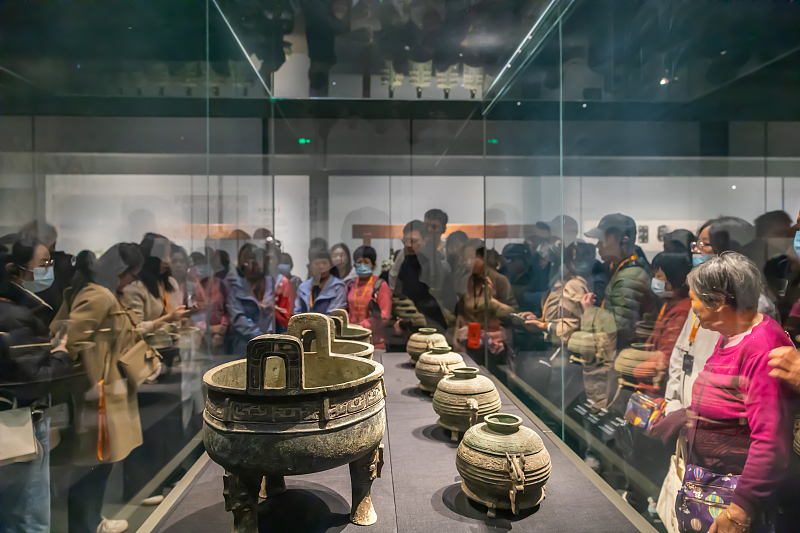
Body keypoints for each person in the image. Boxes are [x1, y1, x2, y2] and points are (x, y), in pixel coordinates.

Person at [678, 253, 796, 532]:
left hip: (736, 498)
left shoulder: (760, 346)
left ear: (718, 301)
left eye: (694, 298)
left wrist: (740, 511)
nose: (691, 305)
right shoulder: (732, 333)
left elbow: (771, 441)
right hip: (715, 484)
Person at [51, 245, 147, 533]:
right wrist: (94, 374)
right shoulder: (98, 294)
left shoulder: (103, 292)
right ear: (121, 272)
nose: (133, 282)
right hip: (98, 394)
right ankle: (84, 526)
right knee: (91, 464)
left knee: (98, 463)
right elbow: (67, 342)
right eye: (133, 275)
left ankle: (91, 522)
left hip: (104, 391)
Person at [0, 239, 74, 533]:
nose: (48, 270)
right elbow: (36, 376)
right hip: (21, 418)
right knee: (29, 515)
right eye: (42, 264)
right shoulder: (17, 316)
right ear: (15, 270)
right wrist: (61, 355)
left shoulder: (20, 310)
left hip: (17, 415)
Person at [583, 213, 655, 351]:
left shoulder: (629, 277)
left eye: (602, 239)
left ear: (623, 241)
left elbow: (619, 330)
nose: (598, 245)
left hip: (624, 357)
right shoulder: (621, 269)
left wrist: (590, 312)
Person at [631, 252, 693, 393]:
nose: (654, 280)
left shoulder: (682, 311)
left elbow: (666, 356)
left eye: (659, 276)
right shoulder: (670, 305)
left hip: (661, 386)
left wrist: (636, 369)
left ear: (675, 280)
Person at [453, 241, 517, 353]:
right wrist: (456, 339)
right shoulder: (465, 280)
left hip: (492, 343)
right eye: (465, 259)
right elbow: (461, 313)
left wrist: (492, 302)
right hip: (468, 341)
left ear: (483, 258)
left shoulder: (499, 280)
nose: (468, 263)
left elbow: (513, 314)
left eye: (472, 259)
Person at [121, 233, 189, 336]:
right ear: (151, 257)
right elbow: (134, 330)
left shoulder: (170, 282)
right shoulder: (135, 286)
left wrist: (187, 314)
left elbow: (175, 321)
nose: (168, 261)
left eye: (169, 255)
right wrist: (167, 318)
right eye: (164, 256)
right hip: (148, 348)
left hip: (170, 344)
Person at [393, 220, 447, 330]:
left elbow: (440, 299)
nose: (409, 245)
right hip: (409, 321)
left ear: (425, 240)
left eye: (414, 241)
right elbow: (398, 294)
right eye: (406, 241)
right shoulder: (406, 262)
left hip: (433, 323)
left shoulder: (434, 263)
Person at [227, 244, 275, 355]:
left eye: (256, 261)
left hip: (272, 343)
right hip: (244, 345)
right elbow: (239, 318)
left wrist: (270, 335)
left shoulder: (273, 284)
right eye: (248, 262)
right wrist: (260, 337)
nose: (252, 266)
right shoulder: (236, 287)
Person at [389, 209, 450, 292]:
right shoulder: (409, 251)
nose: (429, 230)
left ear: (443, 229)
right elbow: (394, 276)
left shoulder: (448, 251)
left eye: (434, 227)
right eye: (427, 225)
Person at [346, 246, 391, 350]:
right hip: (351, 341)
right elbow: (346, 309)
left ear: (374, 265)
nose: (362, 265)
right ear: (355, 265)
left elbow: (384, 317)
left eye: (366, 262)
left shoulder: (380, 285)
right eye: (359, 262)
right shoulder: (350, 285)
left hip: (374, 344)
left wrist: (359, 326)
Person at [190, 253, 229, 353]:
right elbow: (193, 313)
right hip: (200, 337)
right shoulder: (195, 287)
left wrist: (220, 331)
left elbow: (227, 311)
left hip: (220, 338)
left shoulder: (221, 284)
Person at [294, 248, 346, 315]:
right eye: (317, 263)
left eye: (324, 263)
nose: (321, 267)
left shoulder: (337, 287)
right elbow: (297, 312)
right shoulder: (303, 287)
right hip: (303, 324)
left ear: (330, 265)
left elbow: (335, 316)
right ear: (310, 266)